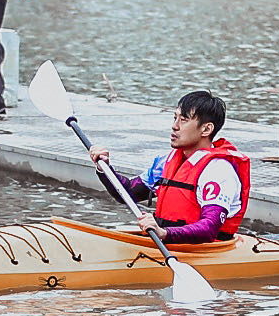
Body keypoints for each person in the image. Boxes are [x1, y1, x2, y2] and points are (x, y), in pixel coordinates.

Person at [90, 90, 252, 243]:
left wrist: (165, 233)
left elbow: (209, 228)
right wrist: (104, 167)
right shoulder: (166, 162)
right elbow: (127, 193)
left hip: (206, 249)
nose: (175, 126)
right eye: (175, 118)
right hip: (169, 242)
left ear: (206, 129)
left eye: (184, 120)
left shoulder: (218, 171)